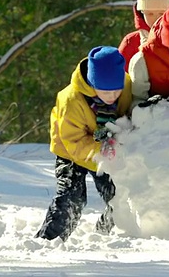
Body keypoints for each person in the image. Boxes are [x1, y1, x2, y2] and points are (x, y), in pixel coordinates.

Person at [35, 46, 132, 241]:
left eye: (116, 90)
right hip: (70, 150)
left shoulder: (127, 85)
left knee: (120, 195)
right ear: (93, 83)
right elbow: (73, 141)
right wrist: (100, 149)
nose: (113, 96)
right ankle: (48, 240)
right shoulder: (71, 99)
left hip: (108, 147)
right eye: (106, 91)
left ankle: (105, 235)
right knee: (72, 197)